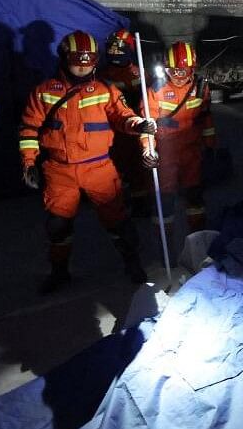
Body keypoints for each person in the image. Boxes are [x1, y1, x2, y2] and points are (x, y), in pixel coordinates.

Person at [17, 30, 157, 293]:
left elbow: (122, 115)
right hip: (60, 170)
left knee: (118, 221)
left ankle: (133, 263)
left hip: (99, 167)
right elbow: (28, 128)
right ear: (63, 58)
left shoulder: (105, 89)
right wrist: (29, 162)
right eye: (77, 62)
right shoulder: (44, 92)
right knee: (58, 226)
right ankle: (59, 272)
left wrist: (138, 125)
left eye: (88, 63)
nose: (82, 69)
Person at [142, 41, 217, 239]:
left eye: (184, 71)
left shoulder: (200, 87)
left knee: (194, 197)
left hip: (192, 152)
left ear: (192, 68)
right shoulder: (154, 90)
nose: (179, 76)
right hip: (166, 154)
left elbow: (205, 119)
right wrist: (147, 149)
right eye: (174, 71)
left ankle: (198, 238)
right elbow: (146, 125)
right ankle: (165, 244)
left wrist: (210, 147)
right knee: (164, 201)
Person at [98, 29, 150, 215]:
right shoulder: (102, 75)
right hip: (111, 128)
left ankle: (140, 202)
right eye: (112, 49)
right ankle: (116, 202)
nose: (115, 52)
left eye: (119, 48)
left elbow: (149, 98)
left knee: (137, 165)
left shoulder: (140, 72)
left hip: (135, 124)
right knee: (115, 166)